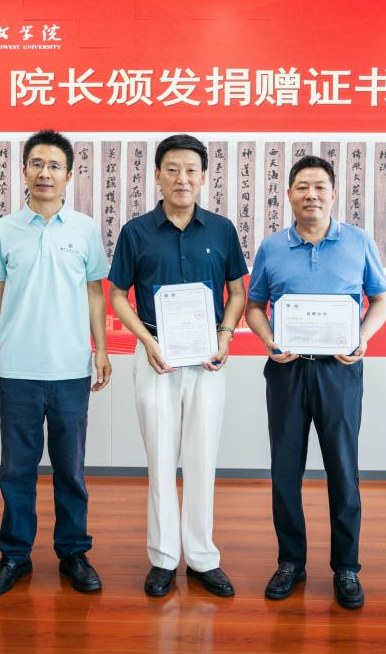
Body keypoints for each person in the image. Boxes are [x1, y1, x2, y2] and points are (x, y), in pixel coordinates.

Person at [244, 154, 386, 609]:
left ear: (333, 194)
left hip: (339, 370)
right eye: (302, 187)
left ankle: (347, 567)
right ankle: (291, 561)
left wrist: (362, 338)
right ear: (289, 194)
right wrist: (269, 340)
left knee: (343, 469)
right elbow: (254, 307)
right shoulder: (271, 247)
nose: (311, 195)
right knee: (285, 470)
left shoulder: (358, 242)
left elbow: (381, 300)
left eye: (320, 187)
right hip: (287, 369)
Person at [108, 134, 248, 597]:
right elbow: (117, 295)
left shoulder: (222, 230)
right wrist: (146, 341)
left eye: (191, 170)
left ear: (204, 177)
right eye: (172, 169)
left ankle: (203, 558)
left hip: (208, 357)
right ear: (157, 175)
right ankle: (164, 557)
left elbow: (237, 292)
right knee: (161, 459)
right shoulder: (136, 232)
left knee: (203, 458)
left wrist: (225, 335)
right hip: (157, 355)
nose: (182, 178)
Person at [0, 129, 112, 596]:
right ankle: (14, 555)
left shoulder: (85, 229)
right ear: (23, 171)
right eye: (37, 163)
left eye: (54, 165)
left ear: (69, 175)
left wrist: (101, 349)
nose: (45, 173)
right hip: (18, 369)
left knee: (71, 469)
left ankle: (73, 552)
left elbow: (96, 293)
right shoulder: (5, 228)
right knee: (17, 470)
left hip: (71, 368)